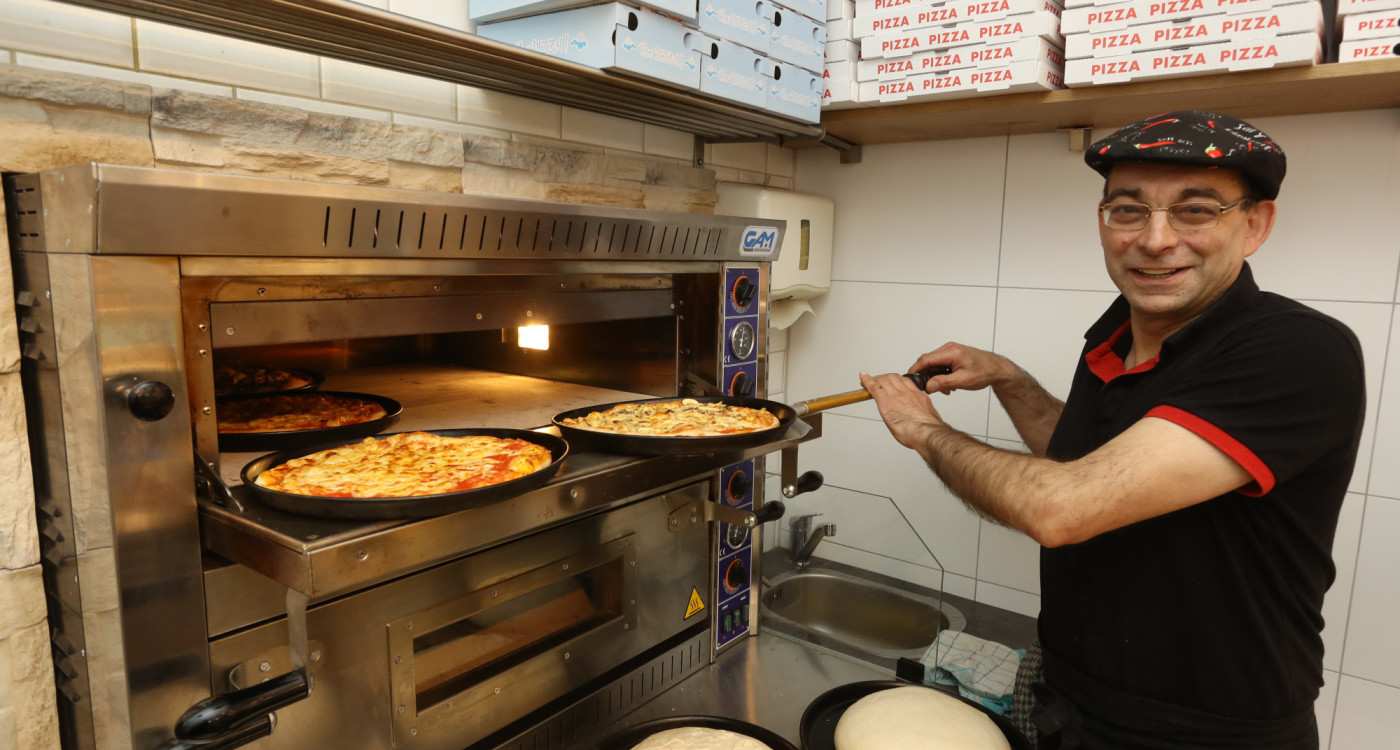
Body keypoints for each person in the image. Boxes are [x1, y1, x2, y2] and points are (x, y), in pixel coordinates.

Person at [858, 111, 1366, 750]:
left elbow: (1062, 506)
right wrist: (1010, 379)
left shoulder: (1294, 351)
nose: (1155, 240)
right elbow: (1089, 464)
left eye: (1195, 210)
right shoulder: (1116, 336)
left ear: (1255, 224)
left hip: (1204, 732)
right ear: (1103, 221)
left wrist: (923, 429)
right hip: (1072, 700)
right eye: (1128, 210)